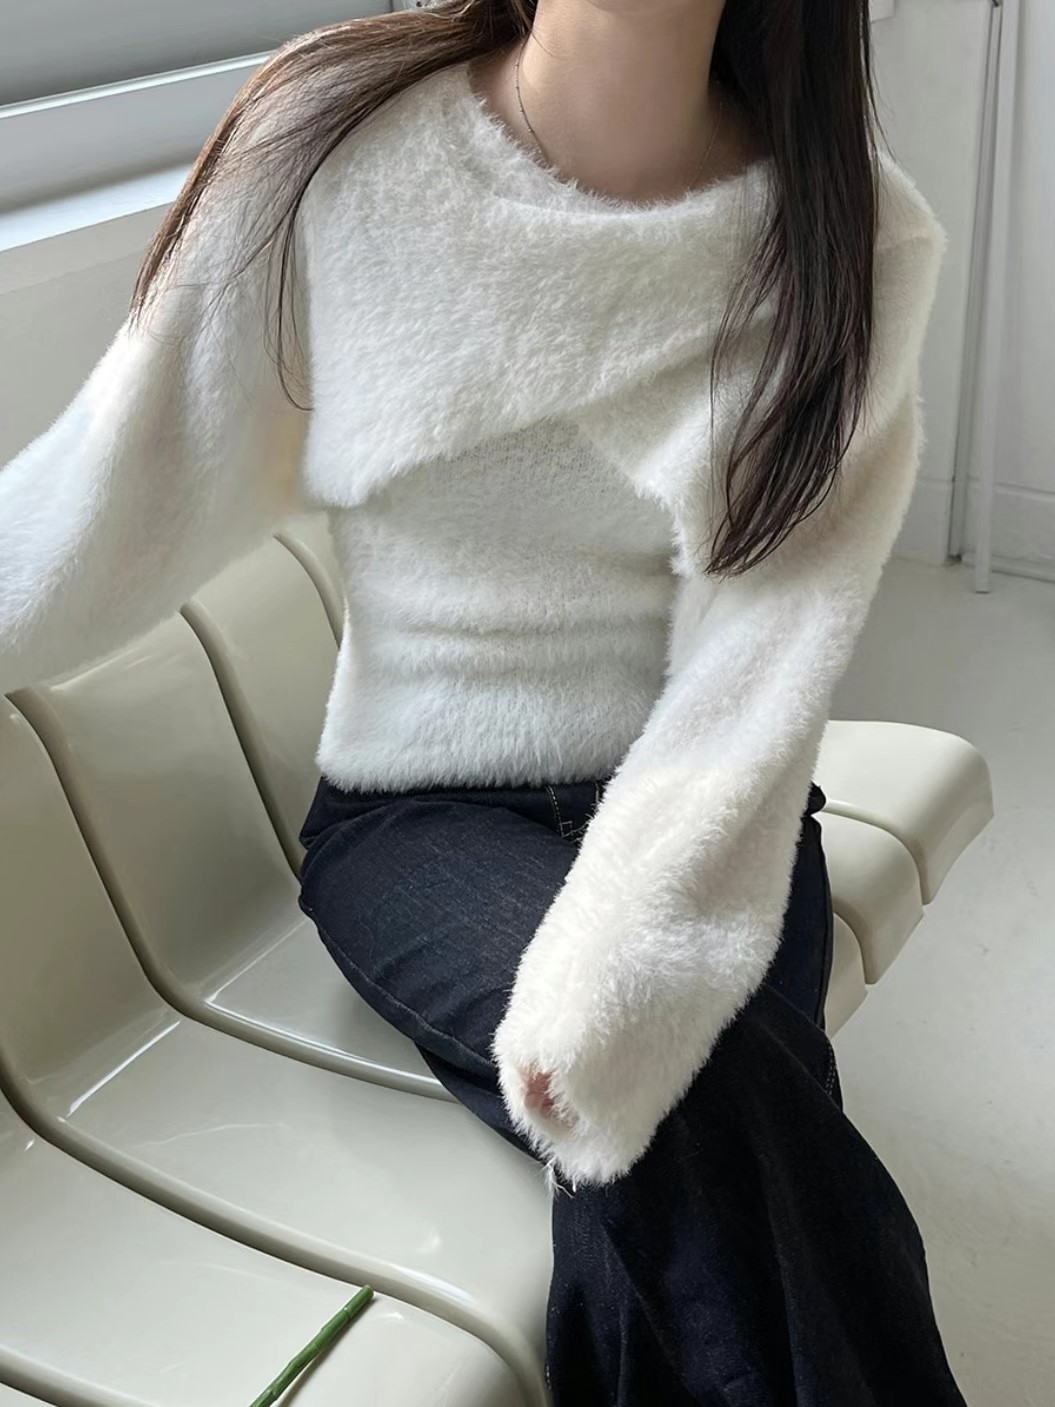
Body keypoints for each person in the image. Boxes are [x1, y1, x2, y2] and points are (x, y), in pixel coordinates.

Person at [0, 1, 968, 1401]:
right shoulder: (333, 137)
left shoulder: (850, 239)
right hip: (417, 818)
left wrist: (627, 966)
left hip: (701, 815)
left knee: (659, 1102)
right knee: (697, 1089)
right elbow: (106, 493)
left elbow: (763, 664)